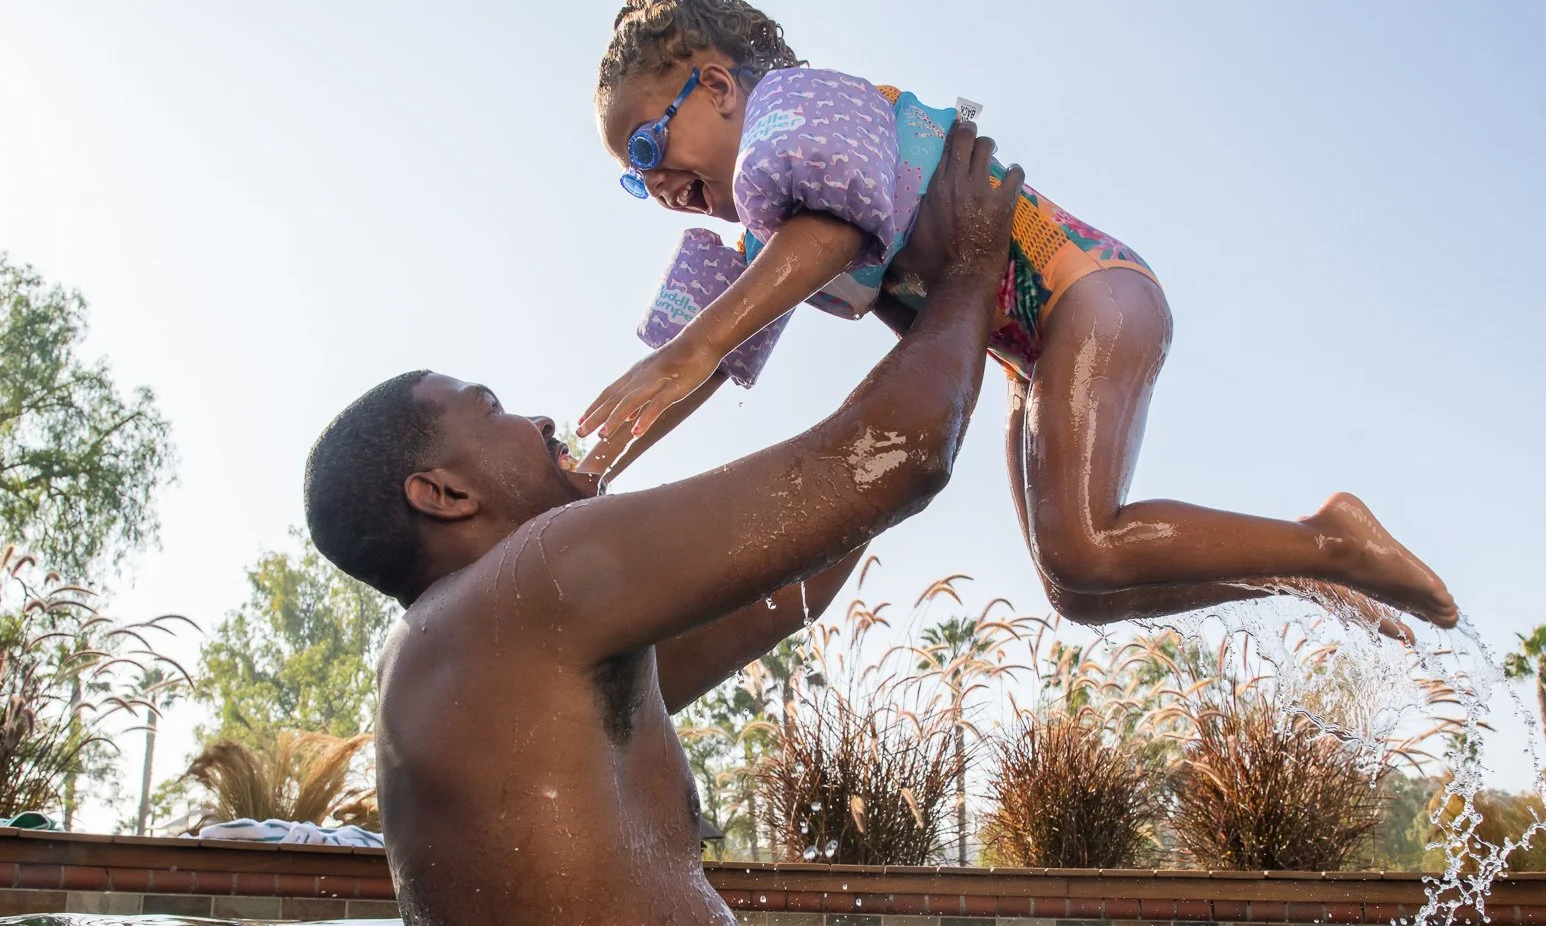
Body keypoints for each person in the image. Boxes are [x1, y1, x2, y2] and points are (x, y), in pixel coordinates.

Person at [301, 122, 1023, 926]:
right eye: (491, 407)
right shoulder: (537, 580)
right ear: (446, 493)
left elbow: (803, 575)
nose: (535, 421)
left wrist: (880, 303)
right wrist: (973, 269)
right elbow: (898, 455)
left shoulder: (488, 651)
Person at [578, 0, 1458, 634]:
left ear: (721, 86)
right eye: (632, 179)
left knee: (1083, 543)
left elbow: (816, 244)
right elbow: (708, 359)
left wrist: (694, 346)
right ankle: (1305, 568)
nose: (654, 188)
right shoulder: (766, 232)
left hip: (1092, 292)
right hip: (1032, 356)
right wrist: (595, 467)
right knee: (1076, 587)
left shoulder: (804, 113)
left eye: (649, 147)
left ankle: (1331, 538)